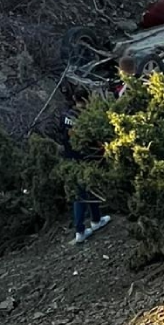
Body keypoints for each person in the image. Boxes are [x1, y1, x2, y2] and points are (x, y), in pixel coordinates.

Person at [57, 88, 110, 245]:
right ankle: (80, 230)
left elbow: (61, 135)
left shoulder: (65, 116)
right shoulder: (87, 118)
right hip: (86, 157)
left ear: (74, 98)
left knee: (87, 188)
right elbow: (95, 139)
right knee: (81, 193)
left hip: (70, 157)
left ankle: (96, 219)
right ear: (87, 99)